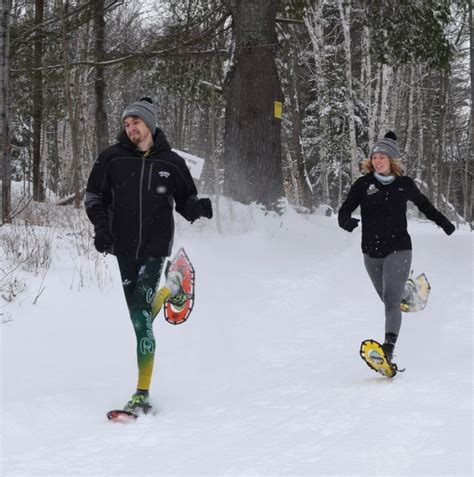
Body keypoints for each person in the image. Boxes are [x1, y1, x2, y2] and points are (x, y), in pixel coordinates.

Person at [85, 97, 212, 413]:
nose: (130, 129)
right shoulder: (111, 159)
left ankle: (142, 393)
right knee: (138, 316)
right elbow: (93, 197)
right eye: (126, 124)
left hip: (156, 248)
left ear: (150, 124)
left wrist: (198, 209)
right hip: (124, 247)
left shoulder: (171, 162)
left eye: (135, 123)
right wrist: (101, 228)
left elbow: (185, 202)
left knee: (141, 320)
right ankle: (174, 286)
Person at [338, 131, 455, 364]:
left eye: (382, 157)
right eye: (374, 157)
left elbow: (425, 205)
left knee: (390, 302)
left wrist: (445, 223)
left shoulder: (405, 185)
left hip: (399, 248)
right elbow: (345, 210)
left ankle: (388, 349)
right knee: (388, 299)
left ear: (392, 160)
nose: (377, 161)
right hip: (370, 252)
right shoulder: (363, 184)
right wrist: (346, 222)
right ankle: (409, 293)